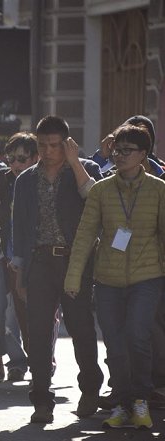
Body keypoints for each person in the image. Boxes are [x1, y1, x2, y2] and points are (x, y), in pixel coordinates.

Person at [65, 124, 165, 430]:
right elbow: (85, 235)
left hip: (147, 276)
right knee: (115, 342)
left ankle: (140, 400)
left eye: (127, 151)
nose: (119, 156)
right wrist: (73, 277)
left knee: (138, 334)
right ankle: (121, 401)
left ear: (143, 155)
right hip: (106, 278)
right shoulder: (101, 189)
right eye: (116, 150)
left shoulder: (159, 189)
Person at [12, 115, 104, 424]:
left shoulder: (85, 170)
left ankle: (91, 388)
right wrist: (21, 274)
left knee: (81, 328)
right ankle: (41, 400)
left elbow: (94, 201)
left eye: (55, 145)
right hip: (39, 262)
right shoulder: (25, 179)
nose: (48, 151)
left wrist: (75, 161)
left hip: (75, 261)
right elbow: (20, 228)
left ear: (66, 143)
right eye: (42, 145)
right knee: (38, 335)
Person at [0, 132, 39, 383]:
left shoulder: (43, 181)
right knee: (9, 314)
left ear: (35, 157)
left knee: (39, 316)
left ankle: (41, 363)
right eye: (11, 159)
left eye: (21, 159)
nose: (15, 165)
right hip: (7, 258)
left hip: (38, 260)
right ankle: (17, 362)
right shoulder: (2, 180)